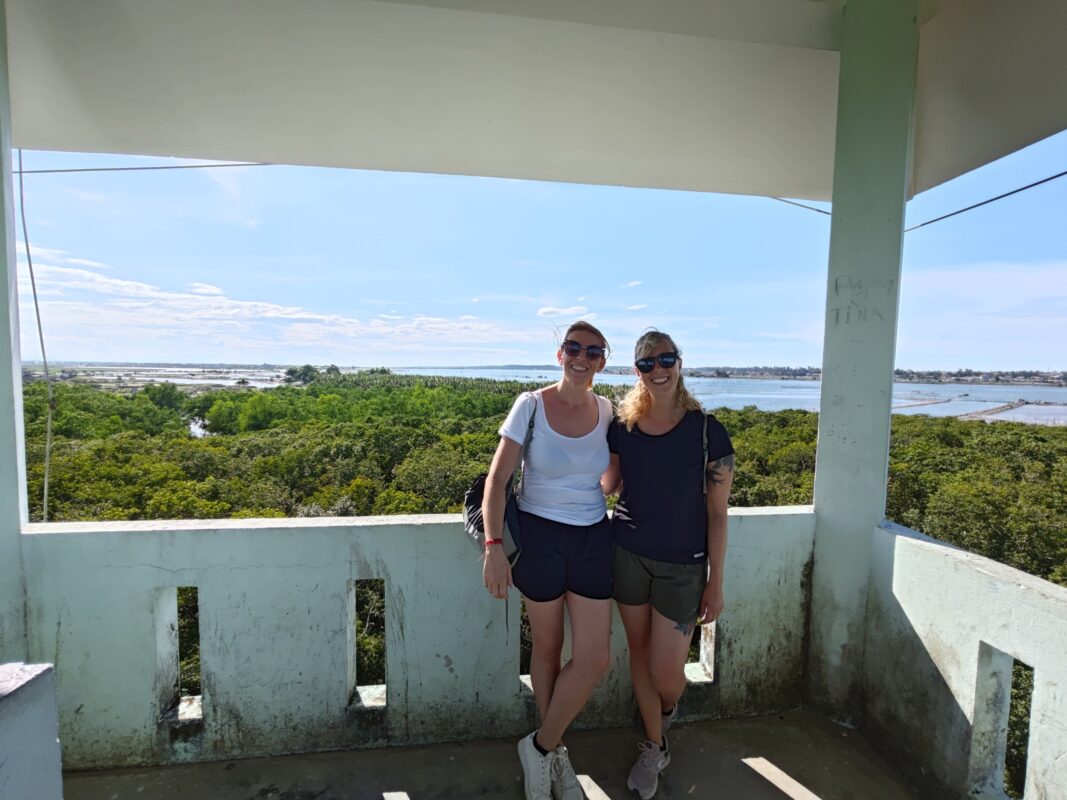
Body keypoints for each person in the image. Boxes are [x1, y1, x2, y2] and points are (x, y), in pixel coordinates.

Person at [482, 321, 616, 800]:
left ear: (603, 360)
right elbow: (496, 482)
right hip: (538, 537)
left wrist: (590, 496)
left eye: (592, 351)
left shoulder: (607, 411)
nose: (582, 357)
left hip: (593, 537)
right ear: (559, 353)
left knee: (595, 656)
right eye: (573, 347)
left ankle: (539, 748)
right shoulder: (530, 405)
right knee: (548, 647)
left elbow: (612, 475)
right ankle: (555, 757)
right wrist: (494, 549)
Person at [605, 330, 734, 800]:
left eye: (666, 360)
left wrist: (715, 582)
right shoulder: (623, 426)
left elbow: (718, 515)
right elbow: (609, 482)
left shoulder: (707, 431)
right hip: (627, 553)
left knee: (666, 674)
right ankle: (654, 745)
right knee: (639, 654)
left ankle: (666, 710)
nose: (657, 370)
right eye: (646, 363)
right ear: (635, 371)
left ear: (679, 363)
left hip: (683, 566)